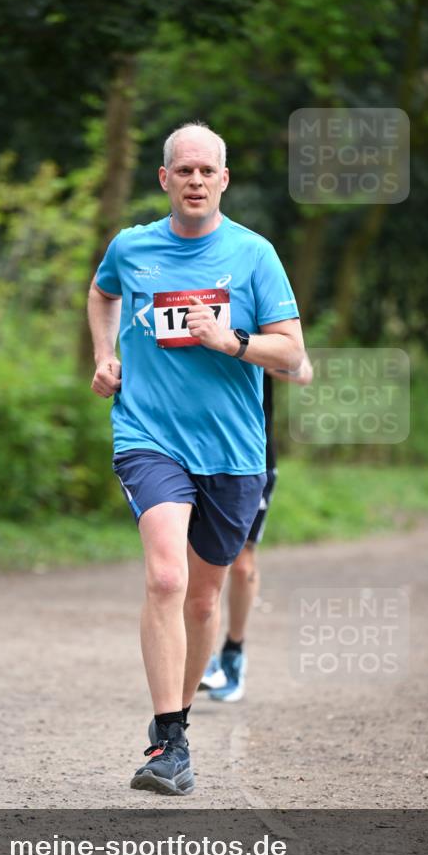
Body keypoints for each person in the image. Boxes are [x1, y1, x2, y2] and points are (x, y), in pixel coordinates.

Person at [88, 122, 305, 796]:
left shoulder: (253, 254)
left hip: (233, 452)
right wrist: (104, 354)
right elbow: (101, 293)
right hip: (148, 438)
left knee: (204, 598)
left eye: (205, 171)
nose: (193, 180)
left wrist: (231, 340)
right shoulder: (132, 247)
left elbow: (292, 355)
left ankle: (176, 724)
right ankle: (168, 741)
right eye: (182, 170)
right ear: (164, 179)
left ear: (223, 180)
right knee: (163, 578)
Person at [200, 357, 314, 703]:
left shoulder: (258, 310)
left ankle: (234, 650)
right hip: (194, 450)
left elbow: (302, 371)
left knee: (241, 563)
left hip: (251, 454)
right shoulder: (180, 304)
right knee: (191, 561)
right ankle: (202, 658)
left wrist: (240, 349)